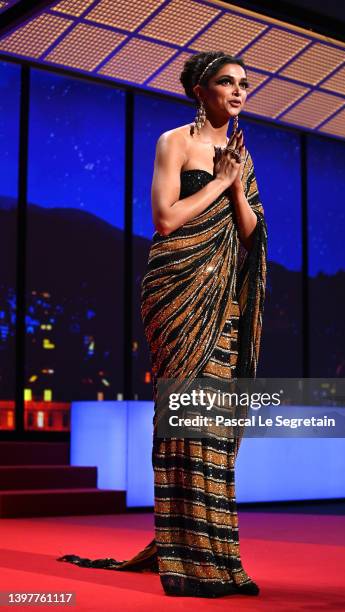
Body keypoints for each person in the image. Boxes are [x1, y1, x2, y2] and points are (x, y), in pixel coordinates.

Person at [57, 50, 267, 598]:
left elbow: (252, 237)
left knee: (214, 430)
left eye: (245, 83)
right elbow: (166, 218)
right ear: (201, 89)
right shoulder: (173, 142)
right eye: (227, 82)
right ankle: (188, 561)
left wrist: (237, 187)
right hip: (176, 291)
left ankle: (221, 558)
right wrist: (219, 184)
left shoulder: (242, 153)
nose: (240, 91)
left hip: (223, 298)